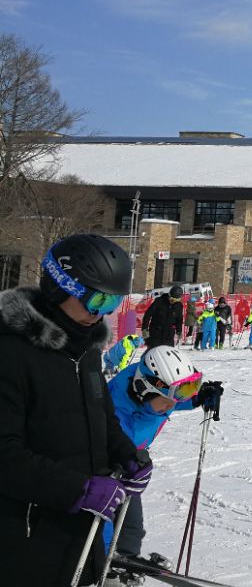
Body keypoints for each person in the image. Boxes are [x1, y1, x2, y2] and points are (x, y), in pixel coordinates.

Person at [0, 235, 152, 586]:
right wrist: (78, 489)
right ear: (60, 287)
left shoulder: (86, 351)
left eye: (112, 302)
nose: (102, 313)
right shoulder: (11, 352)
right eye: (97, 299)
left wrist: (126, 453)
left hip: (80, 533)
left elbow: (101, 417)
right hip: (22, 539)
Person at [103, 345, 222, 576]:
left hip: (131, 463)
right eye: (167, 403)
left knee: (132, 524)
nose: (171, 407)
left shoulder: (152, 388)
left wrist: (198, 397)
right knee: (106, 514)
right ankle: (105, 560)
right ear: (143, 392)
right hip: (104, 464)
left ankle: (126, 561)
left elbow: (171, 396)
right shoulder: (114, 410)